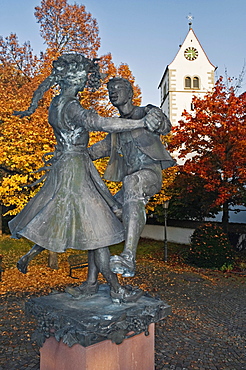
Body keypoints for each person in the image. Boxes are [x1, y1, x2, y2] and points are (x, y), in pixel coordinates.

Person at [9, 54, 163, 303]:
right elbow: (97, 123)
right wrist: (142, 123)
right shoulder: (70, 106)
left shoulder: (57, 104)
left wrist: (150, 119)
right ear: (71, 77)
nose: (85, 80)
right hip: (75, 170)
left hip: (70, 165)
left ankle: (97, 280)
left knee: (90, 226)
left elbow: (91, 147)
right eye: (82, 75)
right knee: (98, 231)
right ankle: (114, 288)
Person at [87, 77, 176, 278]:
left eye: (118, 88)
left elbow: (165, 126)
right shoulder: (117, 130)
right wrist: (70, 151)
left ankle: (129, 256)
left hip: (149, 175)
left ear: (130, 93)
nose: (113, 92)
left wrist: (157, 116)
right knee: (99, 217)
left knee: (131, 181)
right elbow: (93, 151)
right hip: (130, 188)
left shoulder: (145, 112)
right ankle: (91, 282)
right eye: (110, 89)